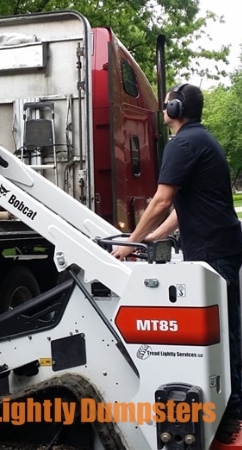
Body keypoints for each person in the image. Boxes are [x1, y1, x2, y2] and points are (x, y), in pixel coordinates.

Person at [111, 83, 242, 439]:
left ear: (175, 108)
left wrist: (130, 242)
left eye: (167, 101)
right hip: (219, 245)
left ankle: (231, 417)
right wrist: (153, 237)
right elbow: (183, 208)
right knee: (224, 327)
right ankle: (230, 410)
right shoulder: (201, 140)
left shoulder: (182, 144)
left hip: (213, 250)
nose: (164, 107)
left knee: (223, 332)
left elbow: (162, 201)